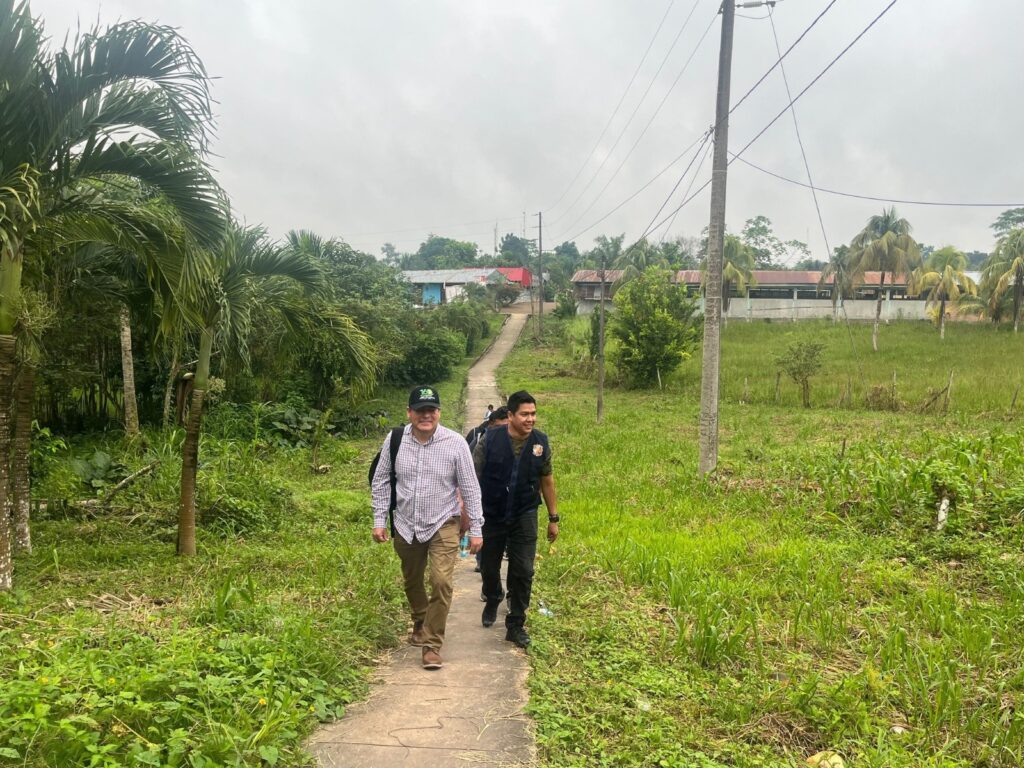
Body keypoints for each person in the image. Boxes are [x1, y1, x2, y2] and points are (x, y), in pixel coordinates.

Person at [372, 385, 483, 670]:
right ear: (409, 413)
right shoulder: (395, 439)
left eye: (431, 410)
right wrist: (379, 519)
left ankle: (432, 644)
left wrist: (477, 528)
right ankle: (421, 618)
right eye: (420, 410)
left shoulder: (456, 443)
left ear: (439, 413)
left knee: (441, 581)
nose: (426, 416)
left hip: (443, 522)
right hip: (406, 522)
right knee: (411, 579)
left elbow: (470, 487)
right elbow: (382, 479)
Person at [473, 390, 558, 649]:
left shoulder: (540, 442)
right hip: (492, 513)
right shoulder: (489, 439)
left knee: (524, 570)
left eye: (533, 414)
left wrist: (553, 517)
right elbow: (472, 477)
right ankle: (493, 595)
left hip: (525, 512)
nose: (530, 419)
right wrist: (469, 514)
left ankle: (515, 624)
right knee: (488, 566)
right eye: (524, 414)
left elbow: (547, 480)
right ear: (510, 416)